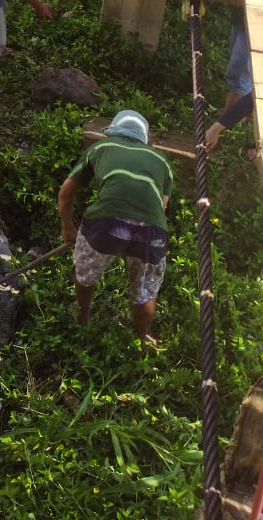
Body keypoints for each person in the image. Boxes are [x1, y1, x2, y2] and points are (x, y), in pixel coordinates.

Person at [57, 109, 172, 347]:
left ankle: (82, 316)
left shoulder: (100, 147)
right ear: (144, 138)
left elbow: (66, 193)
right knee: (145, 291)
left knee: (85, 274)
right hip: (152, 230)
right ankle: (141, 338)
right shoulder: (162, 161)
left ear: (114, 132)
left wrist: (68, 229)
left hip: (105, 222)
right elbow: (161, 207)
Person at [206, 14, 255, 152]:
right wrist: (216, 128)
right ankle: (230, 118)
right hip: (242, 20)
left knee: (240, 73)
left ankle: (237, 126)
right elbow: (253, 99)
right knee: (236, 73)